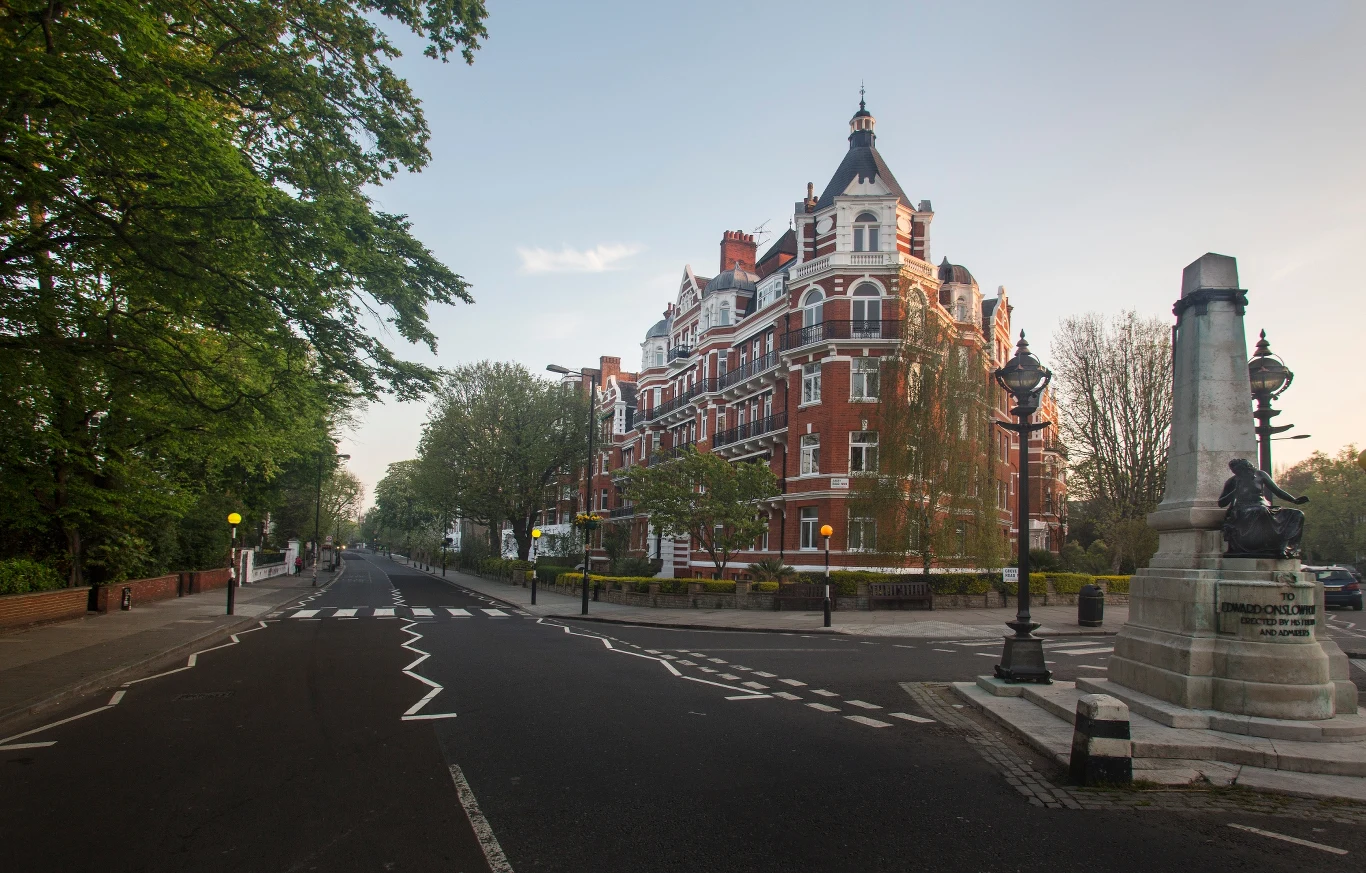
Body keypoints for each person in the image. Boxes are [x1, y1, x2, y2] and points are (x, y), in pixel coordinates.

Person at [1218, 458, 1309, 558]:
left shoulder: (1261, 475)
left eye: (1246, 472)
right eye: (1236, 473)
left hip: (1263, 507)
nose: (1242, 475)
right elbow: (1221, 503)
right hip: (1244, 509)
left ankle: (1284, 546)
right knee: (1260, 511)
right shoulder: (1232, 482)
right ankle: (1270, 547)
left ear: (1249, 469)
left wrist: (1294, 500)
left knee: (1297, 514)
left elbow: (1277, 491)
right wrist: (1235, 491)